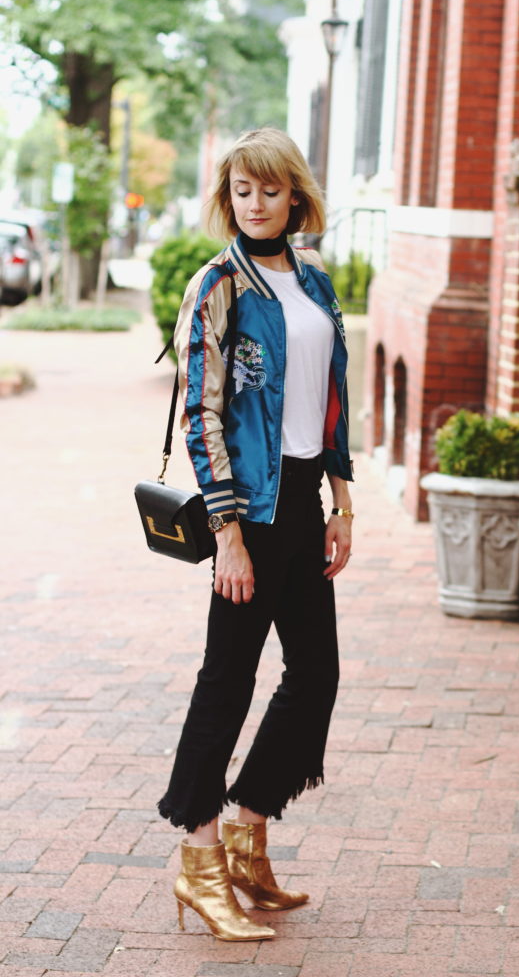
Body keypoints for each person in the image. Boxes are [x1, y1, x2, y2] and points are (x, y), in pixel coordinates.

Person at [157, 127, 354, 942]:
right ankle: (198, 861)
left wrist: (343, 502)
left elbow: (334, 398)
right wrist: (227, 535)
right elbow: (201, 411)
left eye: (271, 190)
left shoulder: (313, 281)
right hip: (250, 507)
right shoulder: (218, 286)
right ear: (228, 196)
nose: (257, 203)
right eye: (243, 190)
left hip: (305, 499)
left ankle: (247, 826)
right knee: (226, 680)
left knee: (315, 675)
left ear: (295, 194)